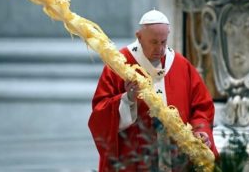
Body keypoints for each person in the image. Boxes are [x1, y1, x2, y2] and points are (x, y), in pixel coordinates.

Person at [88, 9, 219, 171]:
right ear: (139, 37)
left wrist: (201, 131)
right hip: (135, 160)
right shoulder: (119, 64)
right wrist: (127, 99)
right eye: (154, 42)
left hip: (175, 160)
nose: (160, 49)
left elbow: (201, 107)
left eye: (163, 42)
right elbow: (100, 115)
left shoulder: (180, 64)